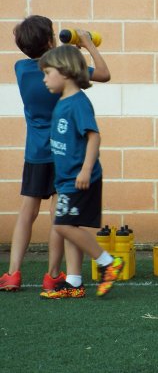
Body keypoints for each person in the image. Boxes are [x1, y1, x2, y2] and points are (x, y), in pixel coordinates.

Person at [0, 16, 111, 292]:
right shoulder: (62, 69)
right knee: (57, 214)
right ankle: (52, 274)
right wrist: (85, 44)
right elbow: (104, 74)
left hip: (35, 151)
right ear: (50, 41)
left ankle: (13, 273)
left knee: (27, 211)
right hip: (64, 153)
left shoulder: (20, 69)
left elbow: (40, 59)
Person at [37, 45, 123, 299]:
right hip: (65, 179)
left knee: (62, 225)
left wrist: (85, 169)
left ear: (64, 72)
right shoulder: (63, 102)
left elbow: (94, 136)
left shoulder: (78, 103)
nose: (44, 79)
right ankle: (74, 283)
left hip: (81, 178)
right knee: (68, 224)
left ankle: (108, 262)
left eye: (47, 72)